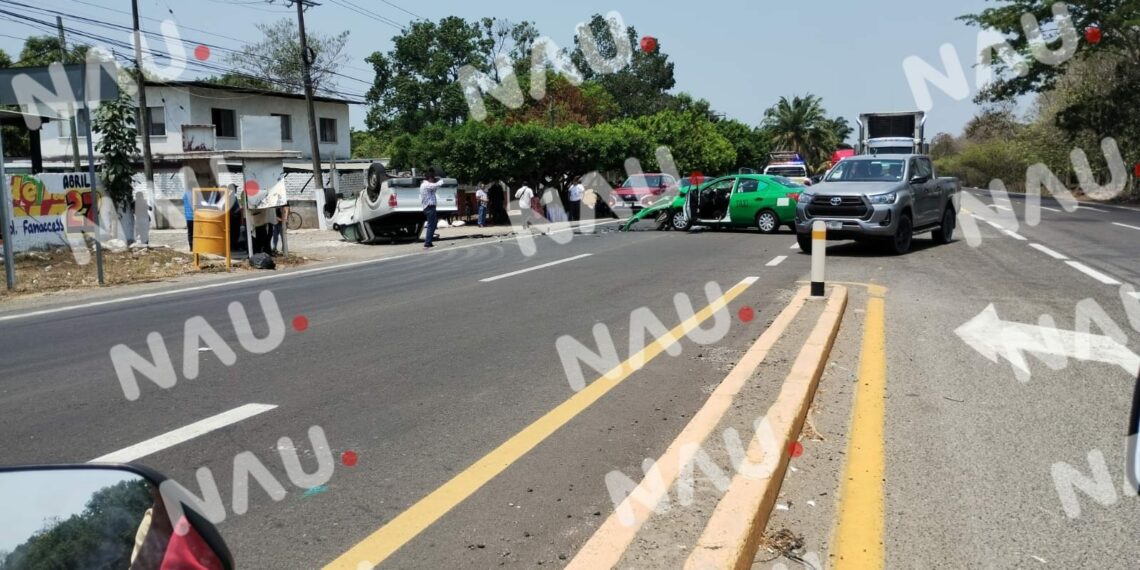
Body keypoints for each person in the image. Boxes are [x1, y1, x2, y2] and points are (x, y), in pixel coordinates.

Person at [420, 169, 443, 248]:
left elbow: (434, 189)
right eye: (433, 178)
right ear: (430, 178)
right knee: (431, 225)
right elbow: (436, 185)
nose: (433, 180)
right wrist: (440, 180)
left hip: (430, 207)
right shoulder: (426, 185)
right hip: (429, 207)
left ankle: (429, 241)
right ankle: (428, 242)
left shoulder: (426, 185)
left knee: (433, 223)